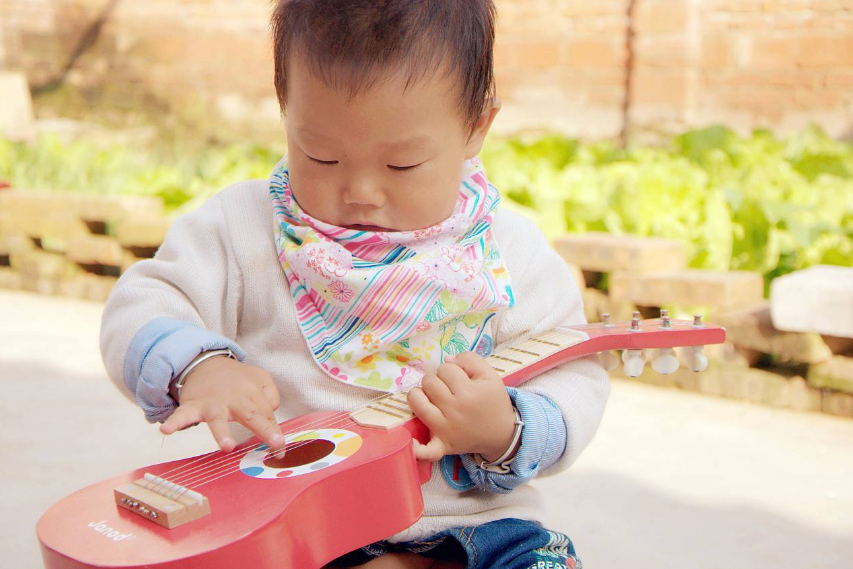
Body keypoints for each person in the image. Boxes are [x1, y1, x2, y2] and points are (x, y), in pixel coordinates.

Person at [99, 1, 609, 567]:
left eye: (402, 165)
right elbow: (141, 303)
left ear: (475, 128)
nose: (361, 192)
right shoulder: (242, 228)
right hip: (297, 529)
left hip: (481, 528)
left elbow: (573, 372)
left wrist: (507, 427)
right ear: (286, 108)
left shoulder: (509, 252)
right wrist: (198, 366)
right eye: (321, 156)